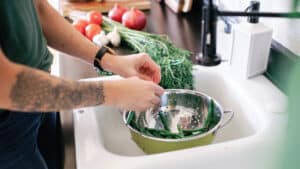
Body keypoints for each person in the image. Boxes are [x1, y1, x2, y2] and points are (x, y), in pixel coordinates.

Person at [0, 0, 164, 169]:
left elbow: (37, 8)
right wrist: (112, 93)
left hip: (42, 100)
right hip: (7, 132)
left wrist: (108, 60)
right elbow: (4, 85)